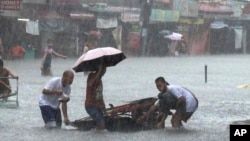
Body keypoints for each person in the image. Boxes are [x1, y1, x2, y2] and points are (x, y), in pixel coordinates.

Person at [85, 61, 106, 130]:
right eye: (103, 69)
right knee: (101, 124)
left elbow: (100, 96)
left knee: (102, 122)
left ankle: (95, 131)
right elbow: (91, 84)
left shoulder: (100, 81)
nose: (105, 71)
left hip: (97, 106)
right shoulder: (91, 75)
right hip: (90, 105)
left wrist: (104, 107)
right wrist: (99, 72)